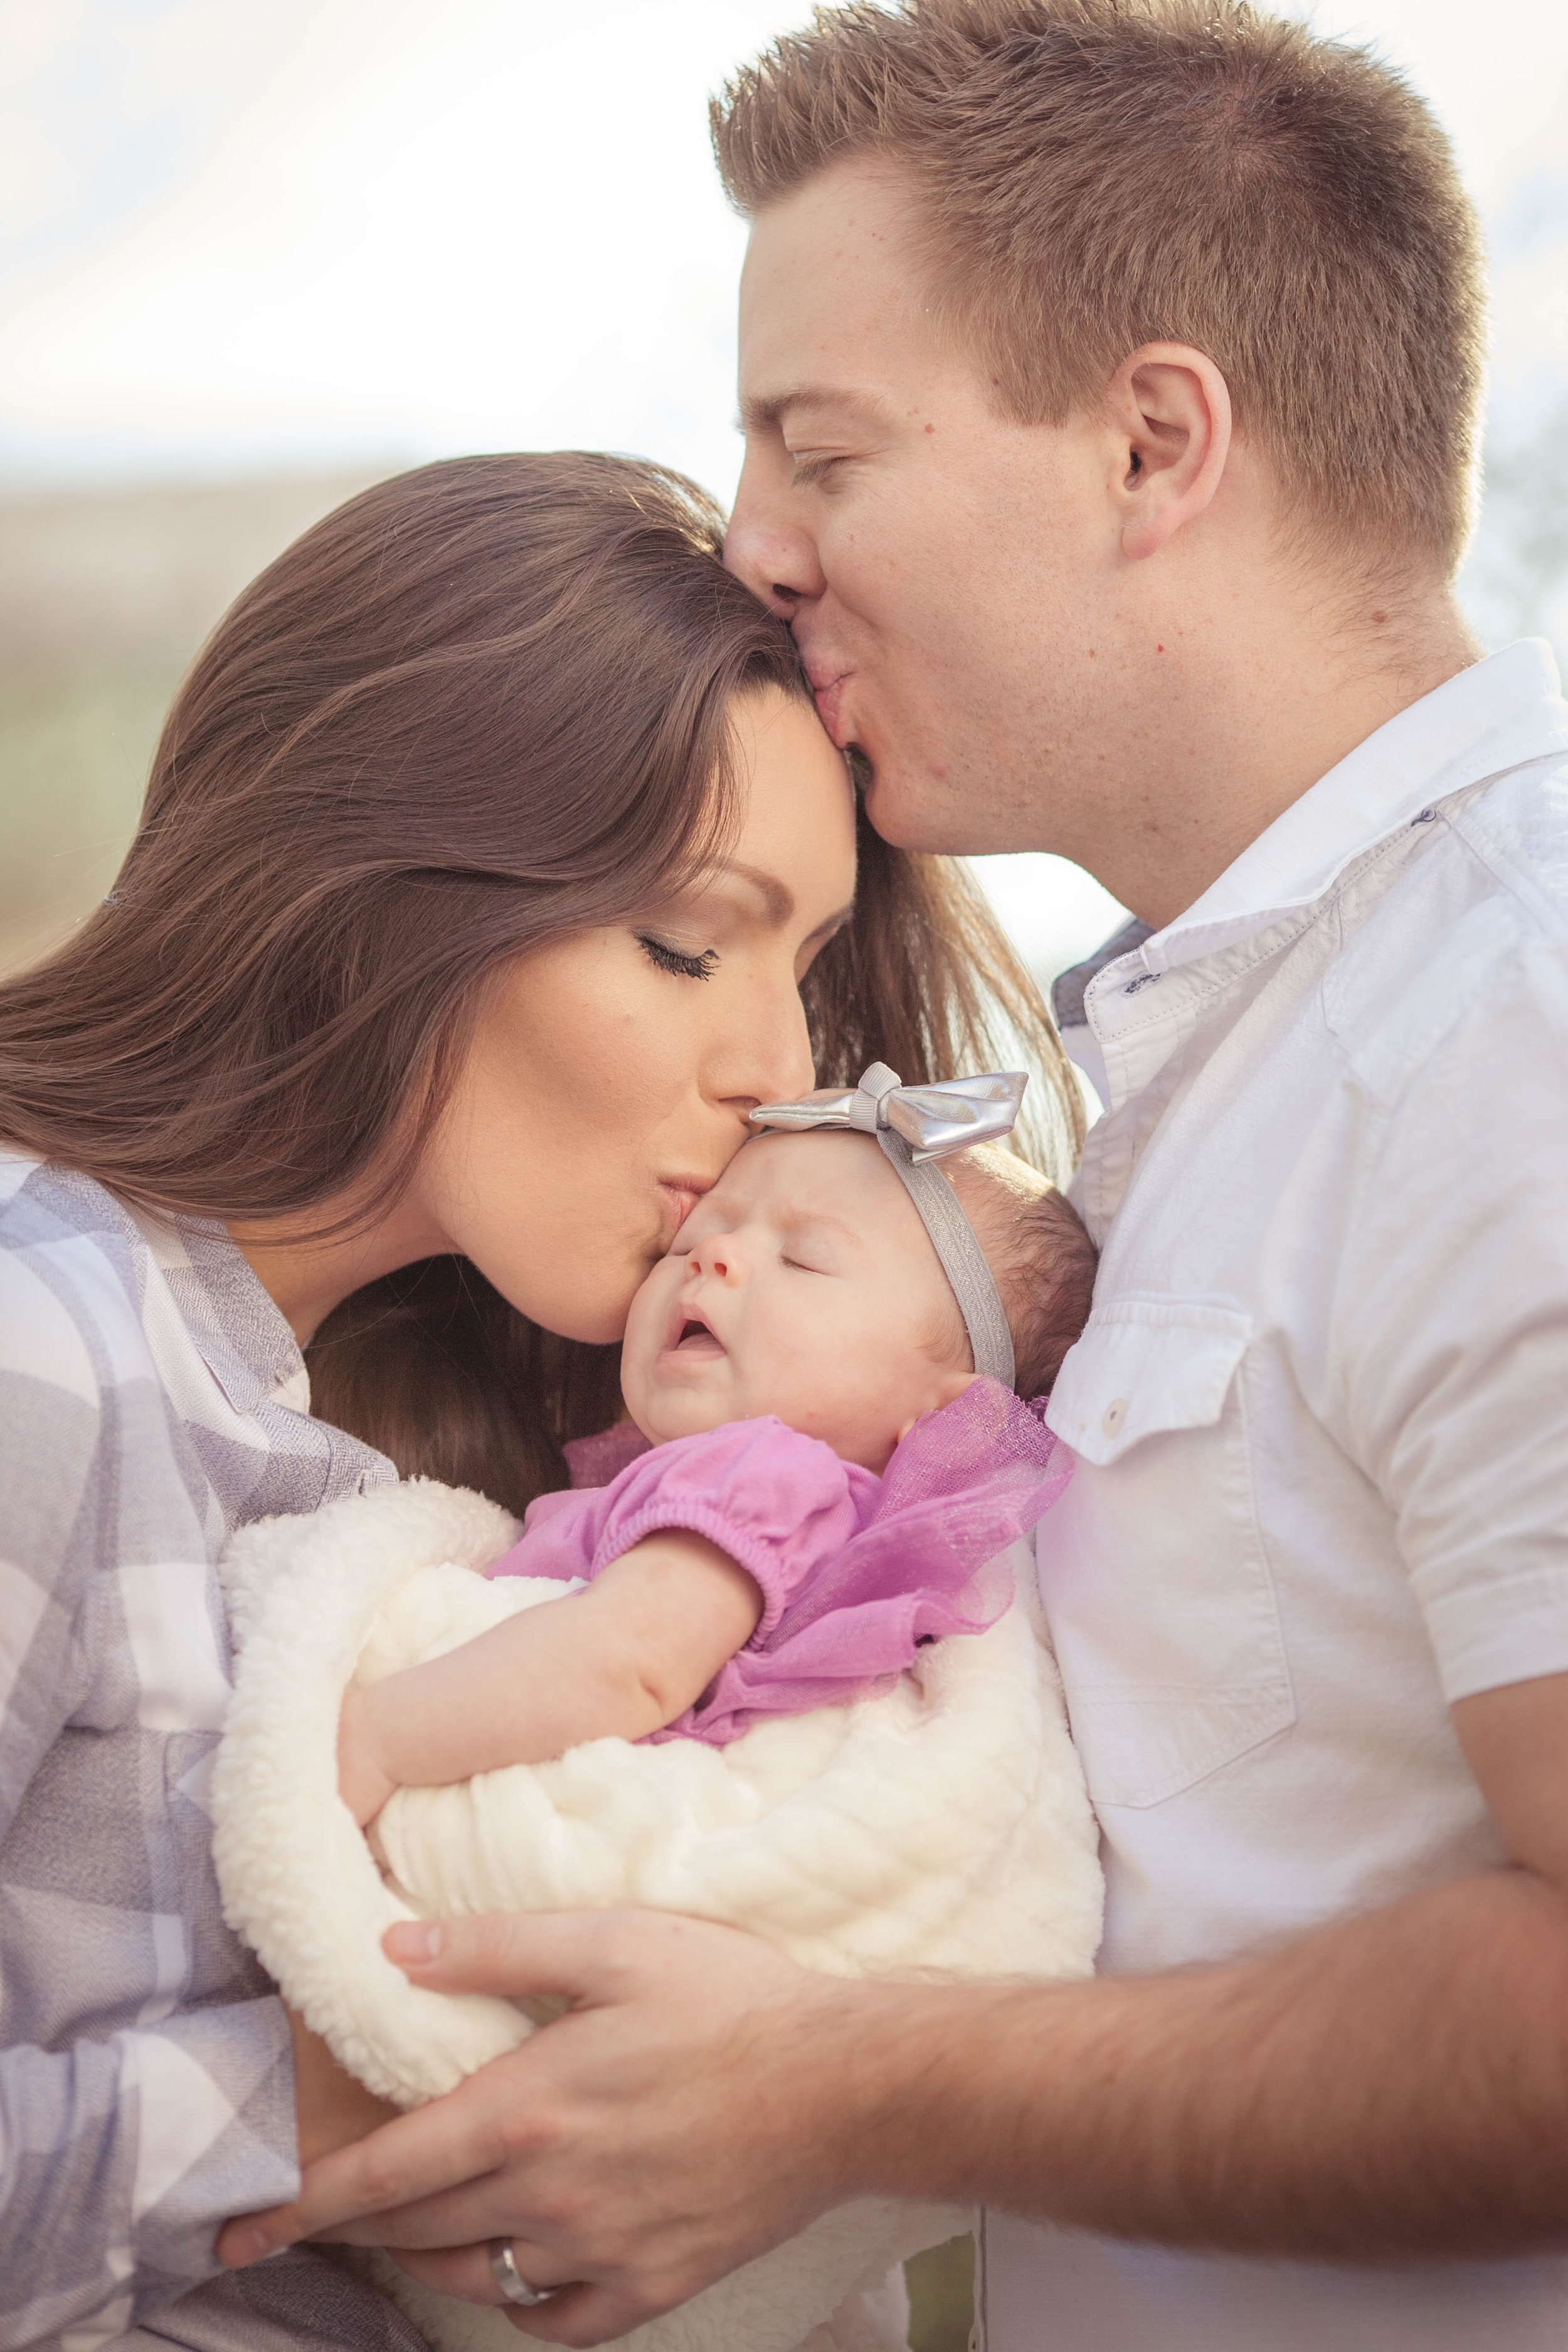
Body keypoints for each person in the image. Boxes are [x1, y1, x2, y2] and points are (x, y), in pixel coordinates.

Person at [217, 4, 1568, 2349]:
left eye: (816, 445)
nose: (752, 542)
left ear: (1151, 445)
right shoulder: (1230, 1049)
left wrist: (833, 2084)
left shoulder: (1512, 1018)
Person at [0, 447, 1081, 2349]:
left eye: (802, 969)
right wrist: (370, 2094)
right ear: (385, 882)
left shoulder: (430, 1448)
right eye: (684, 940)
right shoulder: (45, 1332)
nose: (767, 1068)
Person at [336, 1102, 1093, 1821]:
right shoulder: (752, 1491)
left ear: (940, 1417)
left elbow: (627, 1661)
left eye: (803, 1259)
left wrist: (374, 1742)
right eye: (690, 1240)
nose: (715, 1256)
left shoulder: (761, 1474)